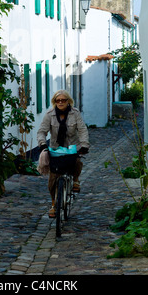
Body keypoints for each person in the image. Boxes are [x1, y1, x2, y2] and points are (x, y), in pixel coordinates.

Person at [37, 89, 89, 218]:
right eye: (57, 100)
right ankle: (54, 204)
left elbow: (82, 130)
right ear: (55, 102)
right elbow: (41, 131)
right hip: (56, 149)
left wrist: (84, 145)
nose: (60, 102)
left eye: (63, 100)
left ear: (68, 101)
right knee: (52, 179)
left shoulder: (75, 114)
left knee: (77, 162)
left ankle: (75, 180)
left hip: (72, 147)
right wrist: (43, 144)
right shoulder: (50, 115)